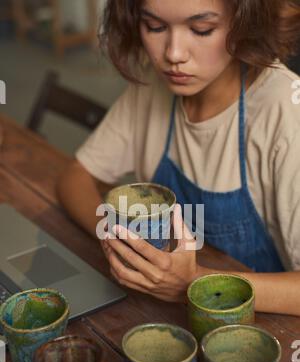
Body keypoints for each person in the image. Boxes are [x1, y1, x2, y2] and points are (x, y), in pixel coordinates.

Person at [57, 0, 300, 316]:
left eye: (202, 29)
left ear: (245, 23)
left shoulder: (285, 109)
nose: (173, 54)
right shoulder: (154, 86)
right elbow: (75, 176)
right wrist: (118, 241)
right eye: (155, 27)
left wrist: (193, 282)